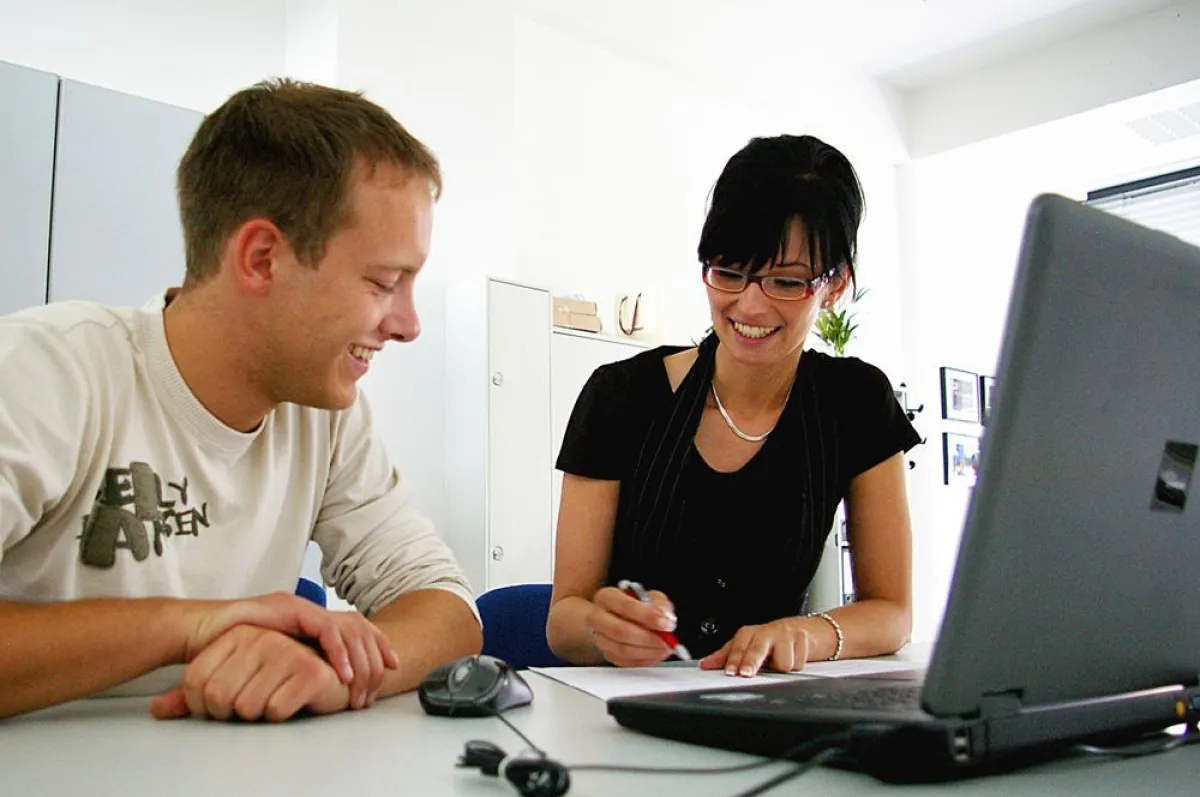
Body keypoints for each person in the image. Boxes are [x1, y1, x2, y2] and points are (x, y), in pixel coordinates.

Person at [0, 79, 481, 721]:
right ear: (261, 259)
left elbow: (445, 605)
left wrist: (333, 671)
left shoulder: (326, 415)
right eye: (383, 282)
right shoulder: (47, 370)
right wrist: (195, 627)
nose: (408, 324)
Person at [547, 134, 921, 677]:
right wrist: (603, 631)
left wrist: (806, 634)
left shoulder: (855, 401)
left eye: (787, 282)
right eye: (728, 272)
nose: (750, 304)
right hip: (628, 706)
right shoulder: (620, 396)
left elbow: (892, 612)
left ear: (835, 284)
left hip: (767, 706)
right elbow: (563, 621)